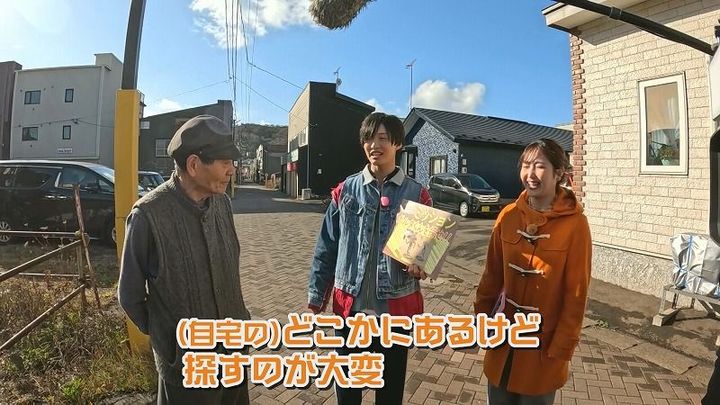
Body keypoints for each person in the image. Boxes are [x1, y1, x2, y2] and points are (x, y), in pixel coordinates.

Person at [118, 115, 251, 405]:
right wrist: (168, 340)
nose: (232, 169)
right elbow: (129, 295)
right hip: (187, 368)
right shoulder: (148, 215)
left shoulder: (223, 204)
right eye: (224, 162)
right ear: (193, 165)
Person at [307, 112, 432, 404]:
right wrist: (316, 299)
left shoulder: (417, 194)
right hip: (350, 311)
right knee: (348, 394)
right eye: (368, 138)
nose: (374, 145)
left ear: (397, 143)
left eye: (383, 138)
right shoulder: (345, 191)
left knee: (389, 395)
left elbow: (427, 255)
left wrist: (422, 264)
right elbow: (326, 248)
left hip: (394, 314)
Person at [473, 138, 592, 404]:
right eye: (525, 166)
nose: (530, 174)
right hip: (502, 338)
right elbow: (491, 275)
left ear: (558, 173)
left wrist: (562, 346)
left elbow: (576, 293)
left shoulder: (576, 225)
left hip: (543, 348)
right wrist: (481, 319)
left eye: (539, 166)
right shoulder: (507, 215)